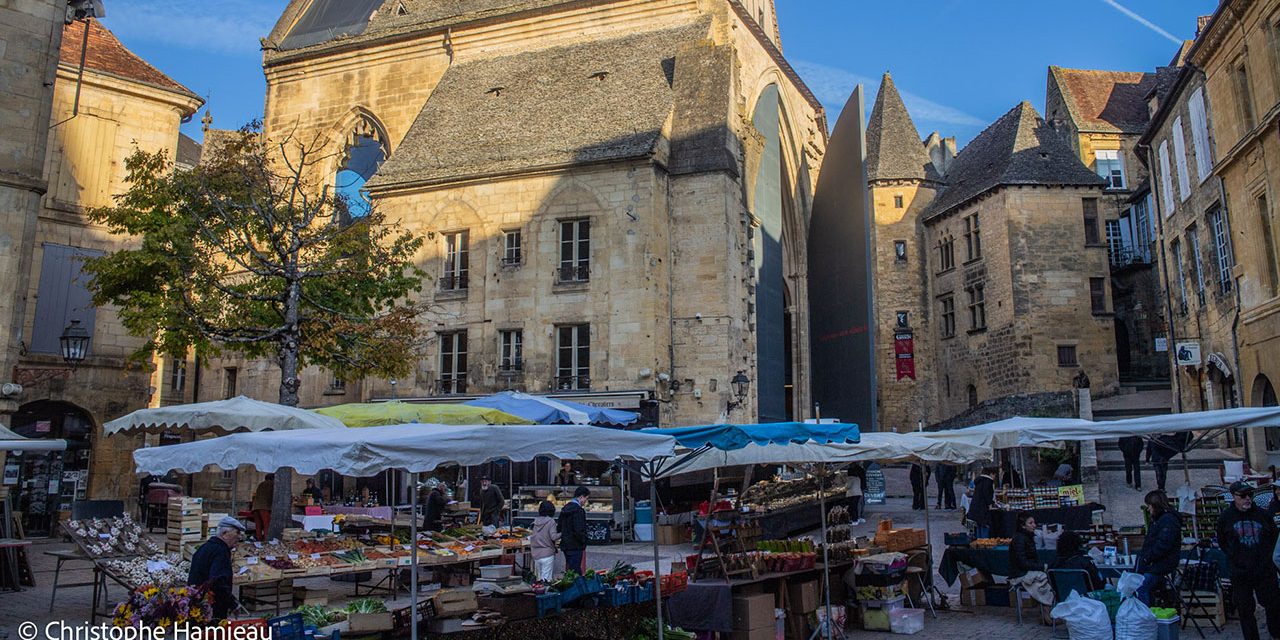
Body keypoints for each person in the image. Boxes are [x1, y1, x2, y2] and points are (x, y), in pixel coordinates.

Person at [1217, 481, 1280, 640]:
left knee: (1272, 604)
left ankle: (1276, 633)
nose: (1247, 499)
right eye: (1243, 496)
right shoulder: (1226, 518)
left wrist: (1265, 558)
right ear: (1234, 497)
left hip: (1264, 569)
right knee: (1245, 609)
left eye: (1249, 495)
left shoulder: (1262, 514)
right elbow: (1222, 541)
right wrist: (1236, 558)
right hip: (1240, 572)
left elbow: (1273, 536)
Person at [188, 516, 245, 622]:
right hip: (212, 608)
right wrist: (233, 604)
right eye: (236, 533)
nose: (239, 537)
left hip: (198, 605)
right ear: (224, 534)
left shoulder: (204, 548)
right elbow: (218, 581)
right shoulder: (220, 551)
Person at [1136, 490, 1182, 604]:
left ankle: (1144, 614)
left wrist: (1148, 558)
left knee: (1141, 587)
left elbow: (1163, 544)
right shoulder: (1160, 520)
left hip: (1160, 564)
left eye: (1149, 506)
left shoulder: (1167, 520)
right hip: (1156, 563)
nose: (1148, 509)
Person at [1008, 512, 1055, 605]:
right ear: (1023, 526)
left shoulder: (1027, 537)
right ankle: (1047, 607)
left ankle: (1048, 606)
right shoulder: (1019, 539)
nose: (1034, 525)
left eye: (1034, 522)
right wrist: (1041, 567)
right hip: (1020, 573)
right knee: (1044, 578)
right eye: (1030, 523)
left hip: (1025, 570)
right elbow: (1022, 562)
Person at [558, 486, 590, 574]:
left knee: (571, 569)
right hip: (576, 545)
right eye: (586, 499)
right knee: (575, 570)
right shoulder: (579, 511)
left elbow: (559, 526)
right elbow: (579, 530)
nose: (585, 502)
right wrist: (584, 541)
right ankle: (576, 586)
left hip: (566, 544)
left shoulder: (565, 509)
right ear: (581, 497)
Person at [530, 501, 561, 581]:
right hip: (547, 553)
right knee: (546, 580)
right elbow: (553, 537)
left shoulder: (535, 521)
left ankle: (538, 592)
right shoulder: (551, 522)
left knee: (539, 579)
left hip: (536, 554)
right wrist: (562, 533)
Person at [967, 468, 996, 538]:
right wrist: (991, 503)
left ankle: (978, 543)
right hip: (982, 509)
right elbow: (987, 496)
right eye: (995, 475)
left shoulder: (979, 481)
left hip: (975, 508)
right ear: (991, 474)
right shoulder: (988, 482)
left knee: (978, 527)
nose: (995, 477)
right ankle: (983, 544)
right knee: (984, 527)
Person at [251, 473, 274, 540]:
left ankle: (259, 538)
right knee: (266, 524)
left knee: (258, 525)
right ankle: (267, 539)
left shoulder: (261, 484)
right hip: (265, 507)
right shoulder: (272, 484)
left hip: (256, 507)